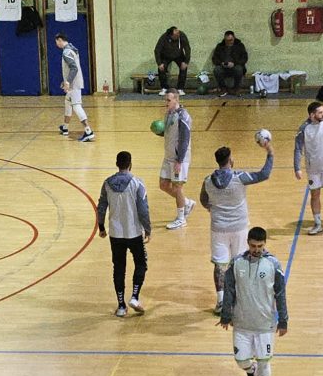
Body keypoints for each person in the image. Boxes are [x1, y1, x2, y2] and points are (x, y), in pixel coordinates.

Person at [200, 141, 274, 314]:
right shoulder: (239, 177)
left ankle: (220, 301)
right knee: (240, 262)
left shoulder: (208, 181)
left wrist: (211, 208)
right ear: (230, 160)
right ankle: (240, 299)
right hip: (239, 227)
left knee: (220, 264)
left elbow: (204, 200)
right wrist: (270, 153)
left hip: (218, 228)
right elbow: (264, 174)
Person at [217, 227, 288, 376]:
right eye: (253, 246)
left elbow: (281, 294)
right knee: (241, 360)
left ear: (265, 243)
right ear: (248, 243)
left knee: (264, 363)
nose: (256, 250)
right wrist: (226, 314)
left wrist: (283, 320)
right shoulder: (236, 263)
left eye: (260, 246)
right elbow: (229, 290)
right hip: (242, 323)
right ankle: (251, 371)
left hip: (265, 324)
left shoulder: (273, 264)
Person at [97, 151, 152, 318]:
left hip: (115, 234)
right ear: (130, 164)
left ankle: (121, 306)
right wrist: (148, 229)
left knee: (119, 268)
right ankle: (134, 297)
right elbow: (143, 210)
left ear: (117, 164)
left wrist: (101, 227)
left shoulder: (107, 184)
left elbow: (101, 206)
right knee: (141, 263)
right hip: (133, 232)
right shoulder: (137, 183)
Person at [294, 102, 323, 235]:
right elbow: (298, 149)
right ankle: (318, 223)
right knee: (315, 195)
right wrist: (297, 168)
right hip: (313, 169)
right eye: (320, 112)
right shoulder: (304, 129)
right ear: (312, 115)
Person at [160, 88, 195, 229]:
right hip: (168, 156)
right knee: (163, 184)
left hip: (179, 158)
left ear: (176, 99)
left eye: (168, 100)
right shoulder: (169, 114)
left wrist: (179, 160)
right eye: (165, 100)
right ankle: (186, 203)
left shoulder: (183, 116)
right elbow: (169, 133)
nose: (166, 102)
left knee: (177, 187)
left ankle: (181, 218)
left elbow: (184, 139)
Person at [55, 33, 95, 141]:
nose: (56, 44)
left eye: (56, 42)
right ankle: (65, 127)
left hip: (74, 84)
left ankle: (88, 131)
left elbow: (74, 68)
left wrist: (68, 81)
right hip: (73, 82)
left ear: (60, 40)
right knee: (68, 102)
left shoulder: (66, 52)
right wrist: (65, 81)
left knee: (76, 106)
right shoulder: (72, 48)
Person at [154, 26, 191, 96]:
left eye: (178, 33)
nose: (178, 35)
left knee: (184, 67)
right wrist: (159, 63)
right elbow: (157, 50)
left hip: (179, 55)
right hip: (166, 56)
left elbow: (187, 48)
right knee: (161, 68)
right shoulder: (164, 37)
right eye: (176, 35)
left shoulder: (182, 35)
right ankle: (164, 88)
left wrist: (186, 62)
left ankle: (180, 88)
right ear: (171, 35)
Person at [211, 30, 249, 97]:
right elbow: (214, 58)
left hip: (235, 67)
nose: (229, 42)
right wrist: (221, 63)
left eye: (230, 40)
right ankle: (223, 89)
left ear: (234, 38)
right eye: (227, 40)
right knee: (216, 70)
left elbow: (244, 58)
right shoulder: (220, 46)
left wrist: (234, 63)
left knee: (239, 69)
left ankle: (236, 88)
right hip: (223, 68)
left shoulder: (240, 45)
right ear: (224, 39)